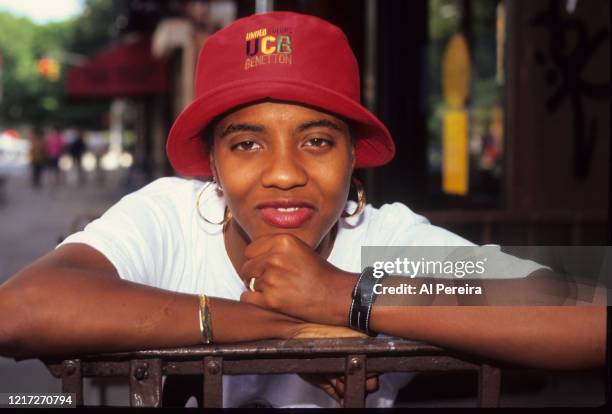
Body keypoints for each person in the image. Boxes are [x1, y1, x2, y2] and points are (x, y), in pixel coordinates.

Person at [0, 12, 605, 408]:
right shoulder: (170, 217)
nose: (285, 173)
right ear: (211, 163)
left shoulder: (384, 241)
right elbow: (20, 311)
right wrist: (296, 329)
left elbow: (588, 313)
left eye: (316, 141)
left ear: (353, 159)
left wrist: (350, 296)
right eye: (246, 143)